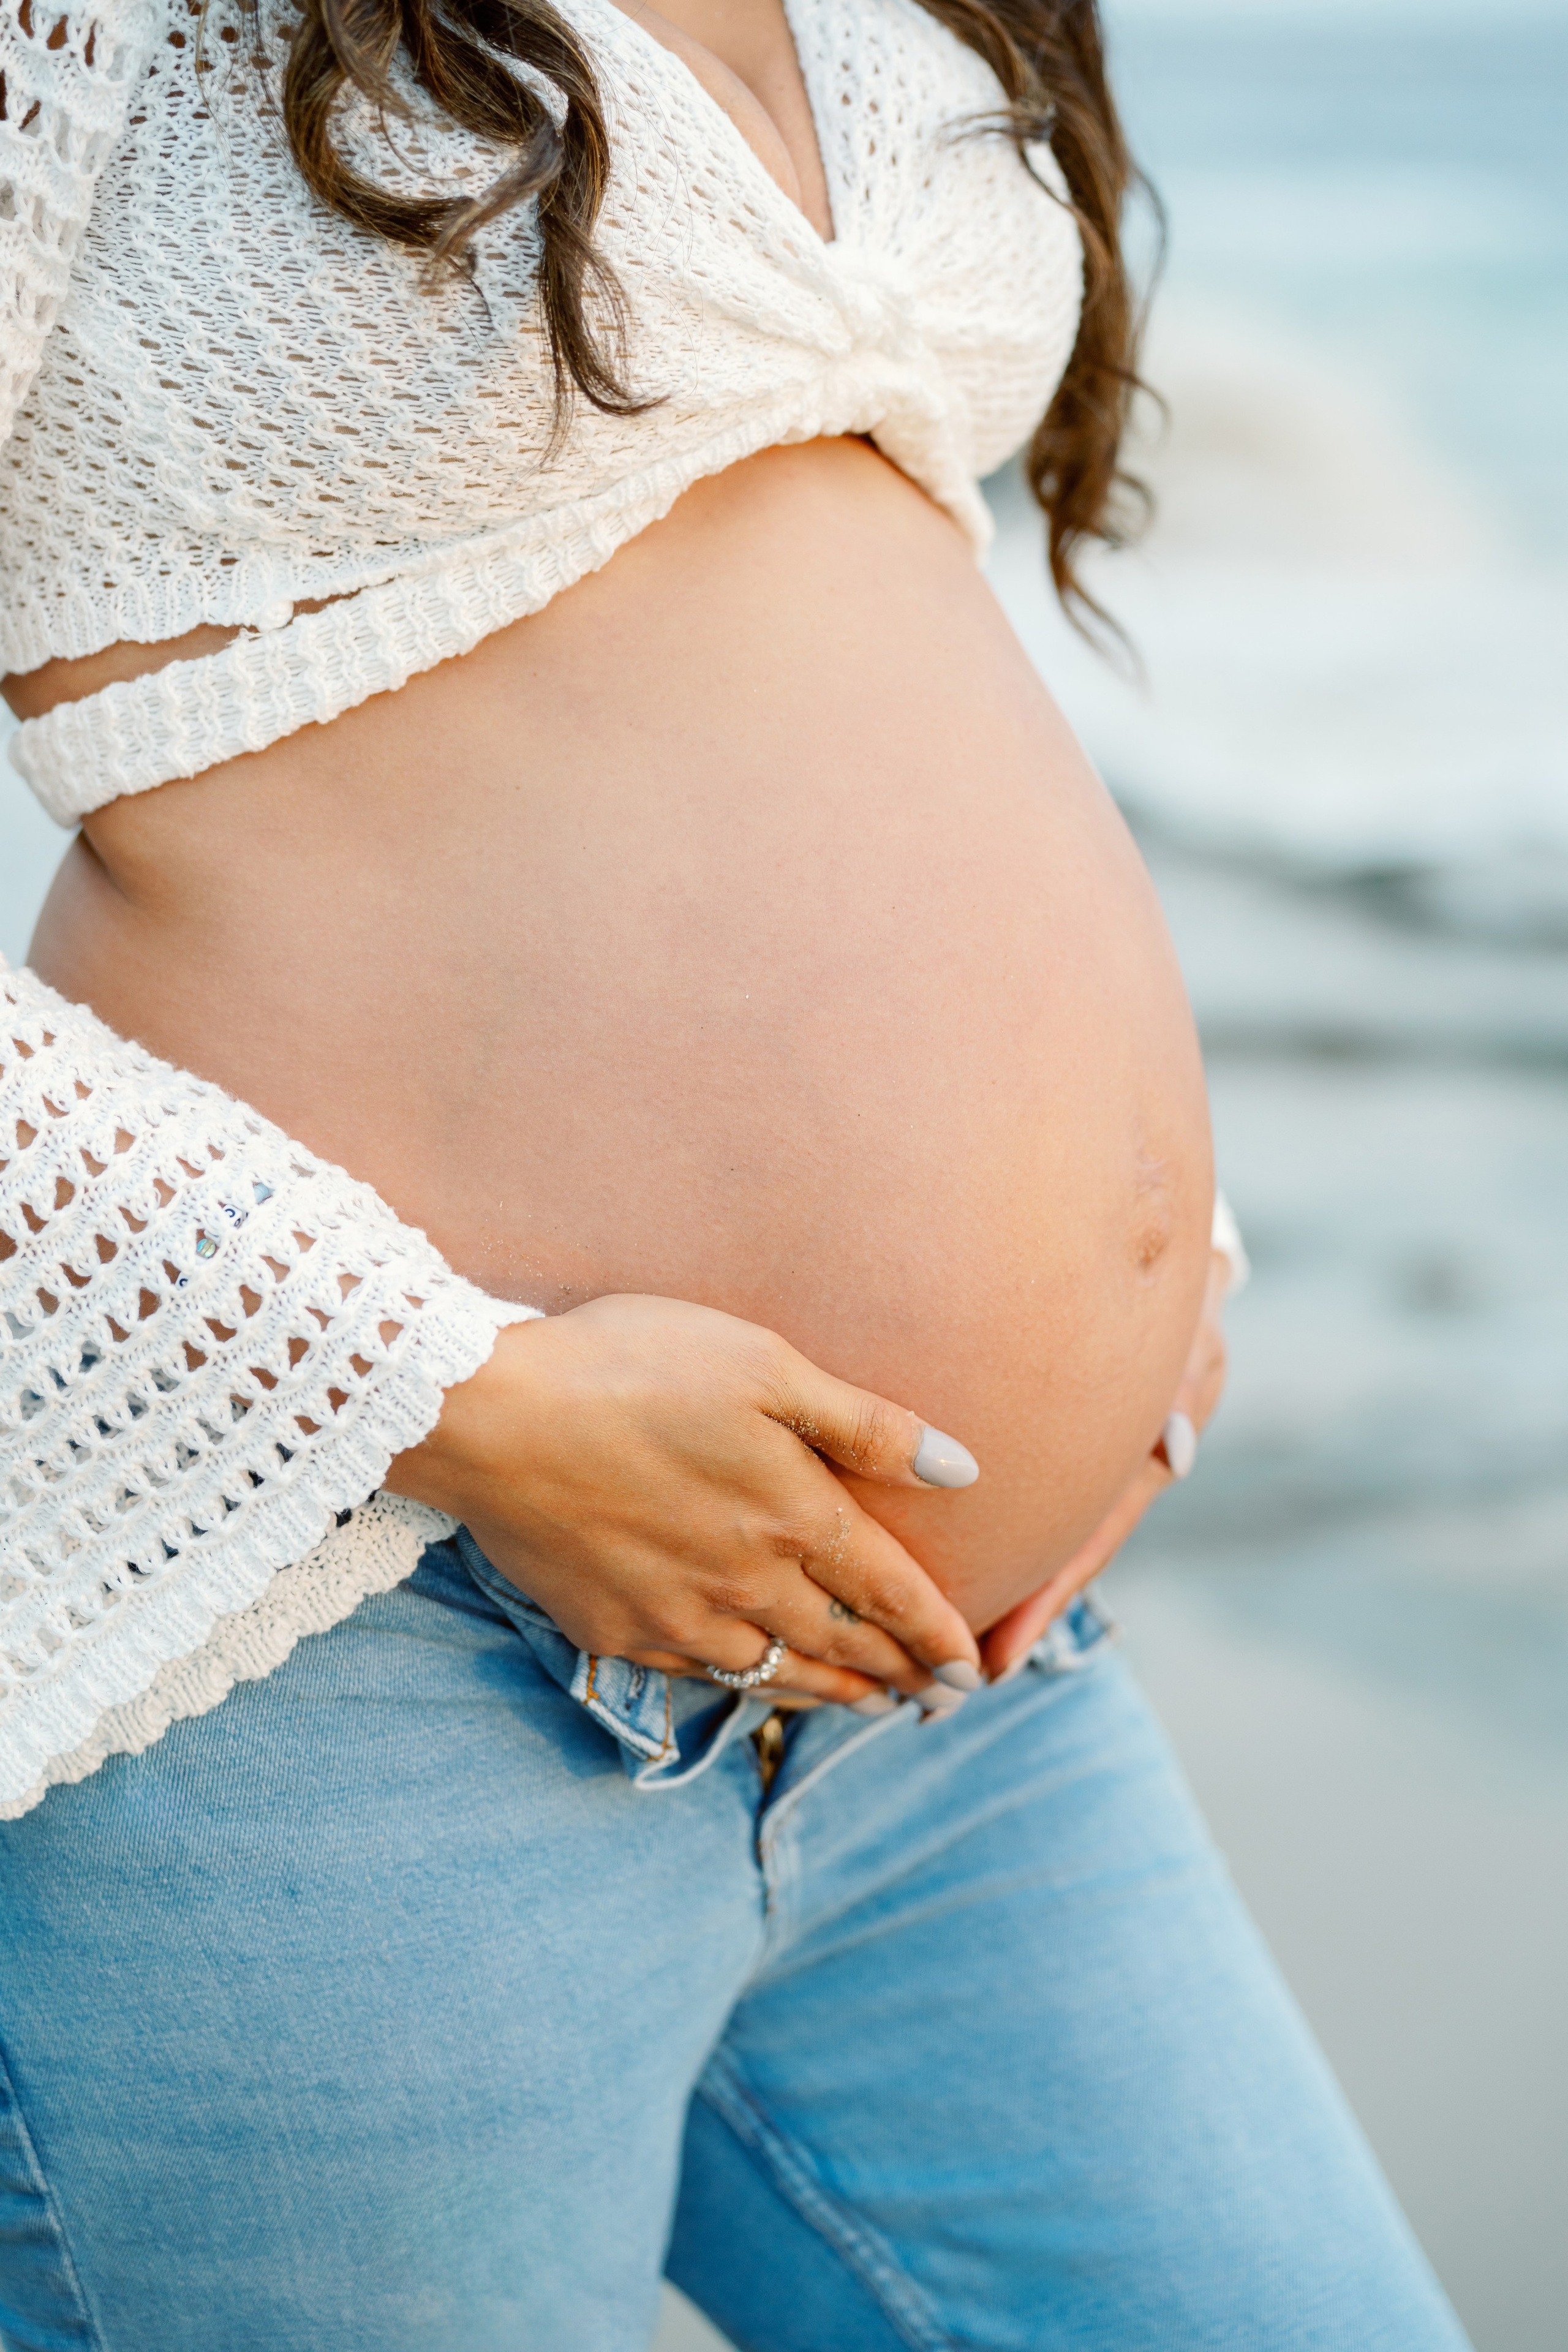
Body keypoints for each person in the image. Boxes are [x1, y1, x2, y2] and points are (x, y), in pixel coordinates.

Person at [0, 0, 1470, 2343]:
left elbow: (824, 631)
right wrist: (442, 1386)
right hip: (350, 1652)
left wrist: (1130, 1238)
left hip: (956, 1700)